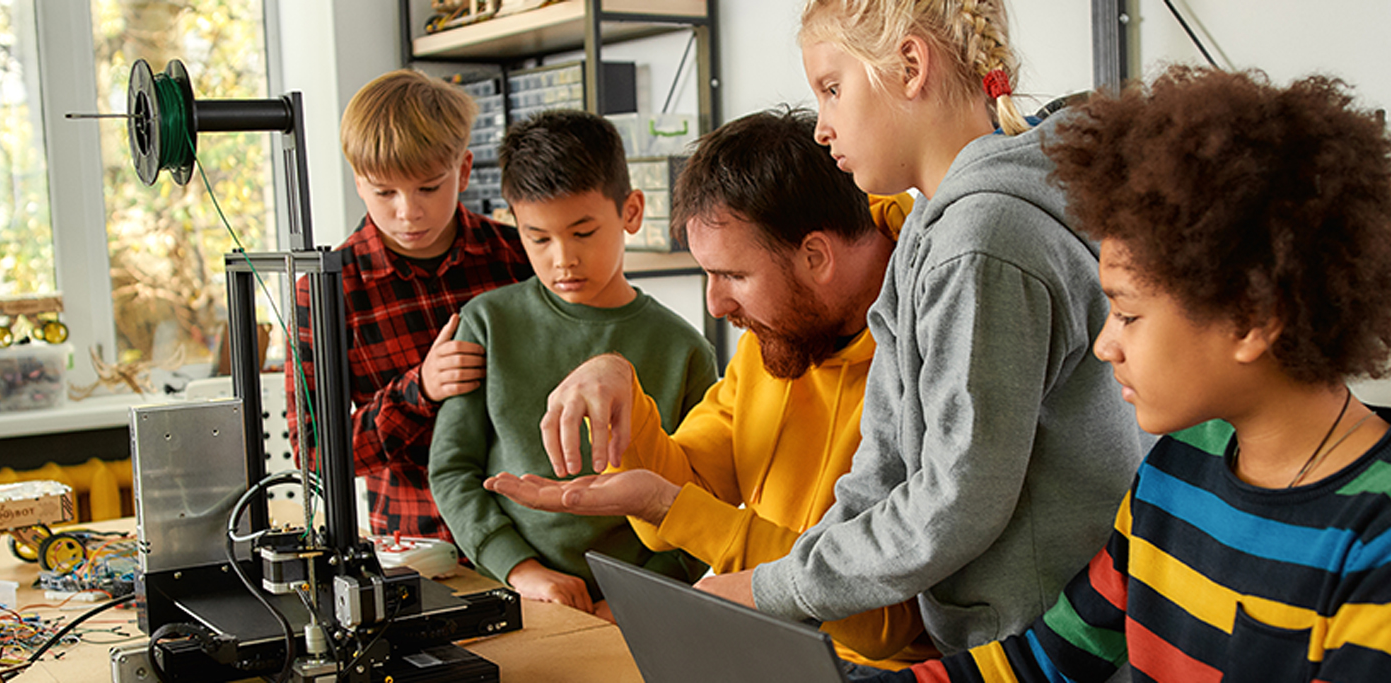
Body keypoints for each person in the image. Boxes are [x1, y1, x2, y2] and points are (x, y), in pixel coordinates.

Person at [870, 67, 1391, 683]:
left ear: (1252, 317)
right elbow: (1044, 663)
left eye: (1128, 313)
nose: (1105, 344)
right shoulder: (1175, 473)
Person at [683, 0, 1150, 655]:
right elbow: (880, 472)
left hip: (1048, 649)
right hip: (983, 640)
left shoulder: (983, 242)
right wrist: (776, 589)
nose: (821, 128)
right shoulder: (927, 229)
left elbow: (957, 500)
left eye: (832, 89)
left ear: (909, 66)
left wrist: (776, 590)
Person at [483, 108, 939, 669]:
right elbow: (692, 481)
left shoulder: (927, 347)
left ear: (816, 256)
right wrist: (621, 389)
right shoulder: (782, 337)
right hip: (766, 648)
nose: (716, 306)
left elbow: (879, 624)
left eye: (734, 276)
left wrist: (672, 507)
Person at [427, 110, 717, 616]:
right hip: (513, 590)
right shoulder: (487, 323)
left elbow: (701, 502)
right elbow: (452, 469)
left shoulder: (684, 349)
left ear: (630, 211)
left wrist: (637, 600)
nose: (563, 258)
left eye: (583, 233)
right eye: (538, 238)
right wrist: (519, 569)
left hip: (633, 607)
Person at [285, 69, 534, 541]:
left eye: (428, 187)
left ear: (462, 170)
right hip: (419, 549)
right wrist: (419, 390)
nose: (408, 211)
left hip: (532, 535)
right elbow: (314, 455)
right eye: (384, 192)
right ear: (359, 182)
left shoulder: (518, 256)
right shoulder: (324, 292)